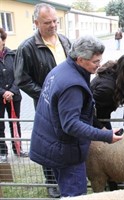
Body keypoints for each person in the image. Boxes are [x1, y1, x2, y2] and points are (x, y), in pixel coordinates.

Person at [29, 35, 123, 197]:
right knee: (75, 195)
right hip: (65, 151)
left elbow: (72, 112)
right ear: (80, 59)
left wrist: (98, 125)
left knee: (67, 192)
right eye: (95, 62)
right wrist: (105, 135)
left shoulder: (60, 70)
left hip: (53, 144)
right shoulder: (73, 85)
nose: (99, 65)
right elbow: (71, 124)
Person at [13, 3, 71, 198]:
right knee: (49, 144)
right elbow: (21, 79)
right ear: (36, 22)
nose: (53, 25)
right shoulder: (27, 47)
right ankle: (52, 182)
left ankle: (66, 177)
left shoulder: (65, 41)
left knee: (68, 140)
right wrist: (45, 94)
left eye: (55, 21)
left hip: (68, 104)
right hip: (46, 107)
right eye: (48, 22)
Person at [91, 54, 124, 130]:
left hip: (103, 119)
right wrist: (104, 130)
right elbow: (88, 113)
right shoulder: (107, 89)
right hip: (92, 123)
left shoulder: (118, 77)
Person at [0, 28, 28, 163]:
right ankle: (2, 152)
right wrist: (3, 92)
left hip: (14, 96)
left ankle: (18, 149)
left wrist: (12, 90)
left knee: (15, 123)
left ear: (3, 40)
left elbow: (20, 75)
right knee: (0, 125)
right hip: (0, 97)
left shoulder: (12, 55)